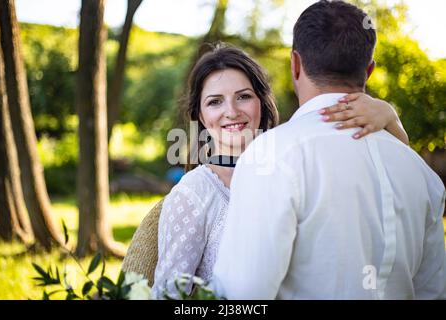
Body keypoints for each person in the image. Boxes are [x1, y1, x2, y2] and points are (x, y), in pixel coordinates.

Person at [211, 0, 446, 300]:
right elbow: (433, 292)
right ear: (369, 70)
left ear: (295, 64)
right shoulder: (420, 173)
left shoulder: (270, 155)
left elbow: (241, 297)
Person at [151, 42, 411, 299]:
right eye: (215, 102)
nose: (231, 112)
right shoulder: (194, 192)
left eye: (243, 96)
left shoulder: (294, 162)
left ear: (261, 102)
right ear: (200, 114)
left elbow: (389, 170)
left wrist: (389, 115)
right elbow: (168, 296)